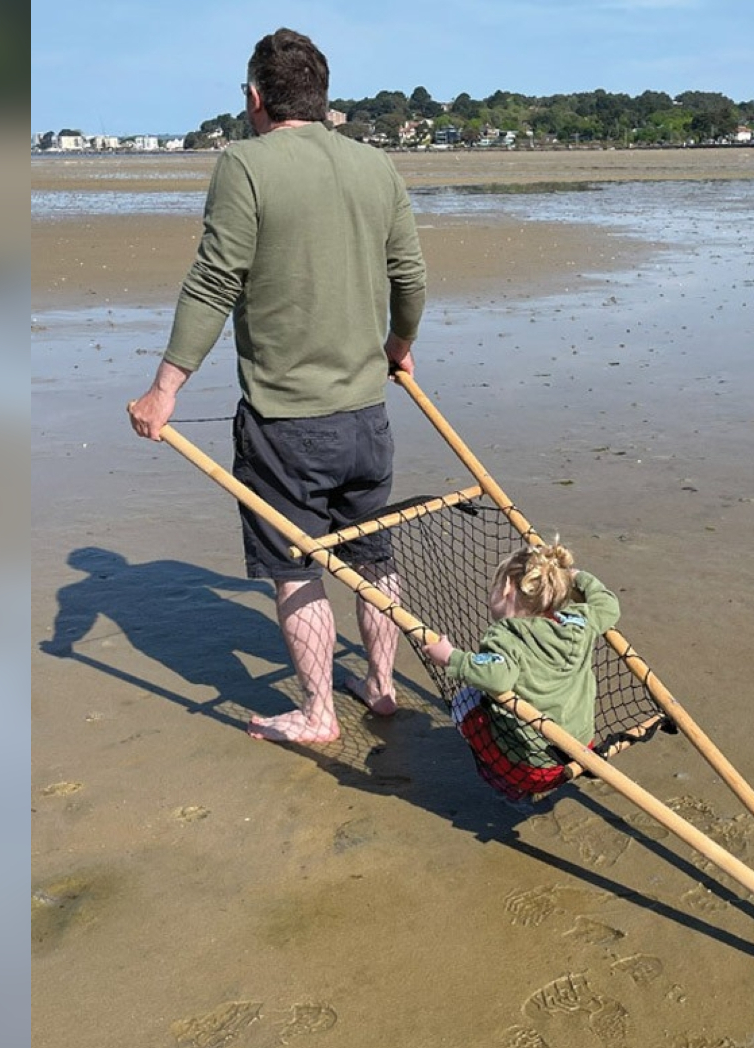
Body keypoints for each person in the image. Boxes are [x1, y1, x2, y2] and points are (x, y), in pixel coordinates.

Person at [129, 28, 427, 744]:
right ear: (321, 99)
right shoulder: (375, 166)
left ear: (257, 98)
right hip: (366, 417)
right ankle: (381, 687)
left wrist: (165, 387)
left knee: (296, 570)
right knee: (371, 555)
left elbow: (213, 281)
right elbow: (409, 277)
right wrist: (398, 347)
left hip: (286, 424)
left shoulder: (246, 166)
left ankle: (321, 712)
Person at [422, 540, 620, 802]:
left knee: (464, 700)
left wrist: (451, 658)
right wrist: (578, 577)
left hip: (532, 769)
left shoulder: (506, 636)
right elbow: (609, 606)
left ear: (506, 588)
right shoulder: (578, 621)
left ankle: (505, 781)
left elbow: (498, 676)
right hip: (582, 746)